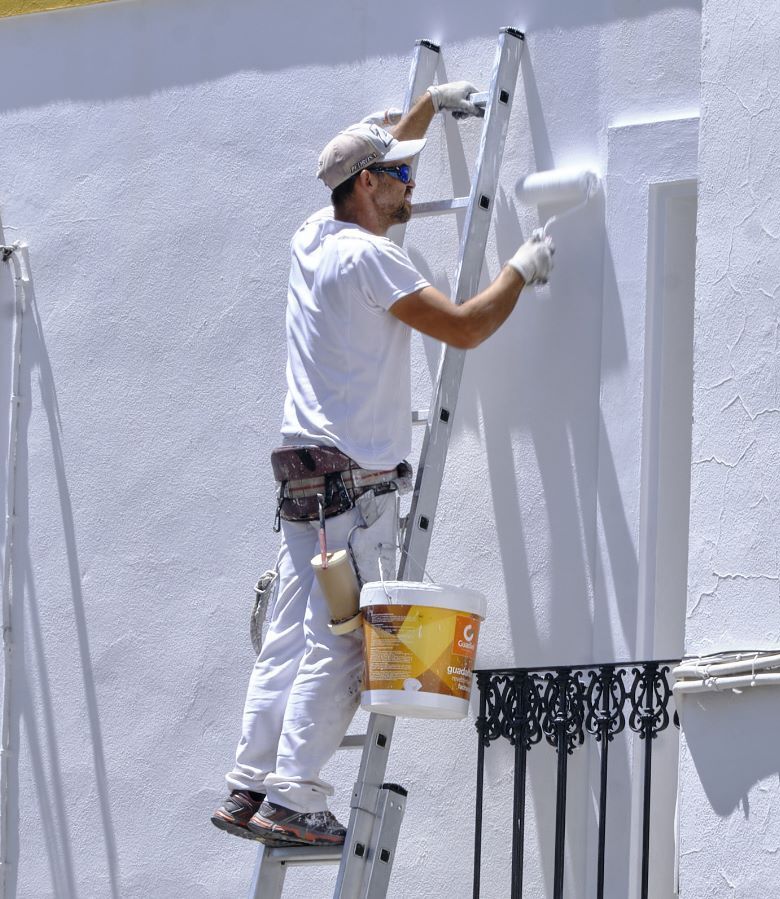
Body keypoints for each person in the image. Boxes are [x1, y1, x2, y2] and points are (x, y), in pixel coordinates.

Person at [210, 81, 554, 847]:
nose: (411, 188)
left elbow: (385, 144)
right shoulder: (370, 261)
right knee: (343, 639)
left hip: (302, 482)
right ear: (366, 185)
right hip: (353, 492)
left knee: (289, 636)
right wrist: (521, 272)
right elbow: (463, 329)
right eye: (399, 178)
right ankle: (295, 797)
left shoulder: (310, 236)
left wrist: (429, 103)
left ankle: (247, 784)